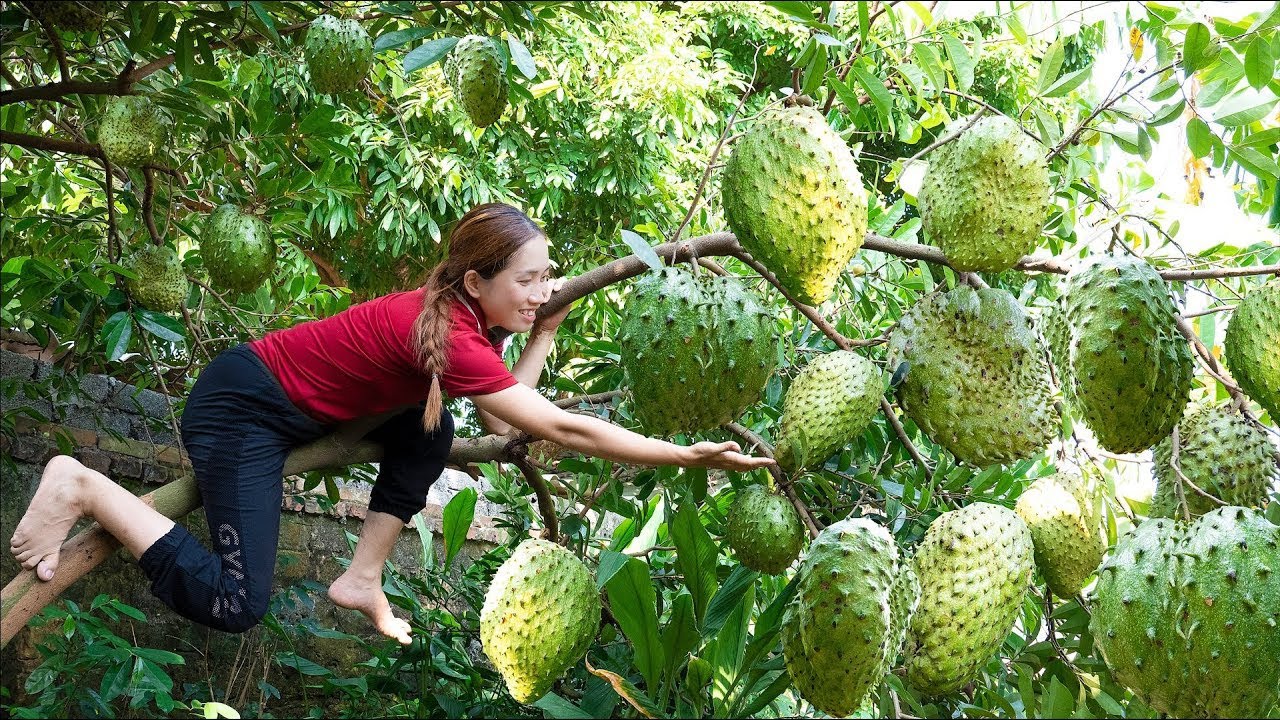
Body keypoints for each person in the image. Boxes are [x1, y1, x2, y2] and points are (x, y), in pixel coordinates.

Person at [9, 203, 775, 645]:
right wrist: (683, 453)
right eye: (529, 280)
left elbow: (515, 408)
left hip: (285, 406)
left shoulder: (467, 322)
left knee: (430, 428)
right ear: (477, 281)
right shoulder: (442, 328)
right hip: (239, 407)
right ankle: (82, 484)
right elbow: (561, 428)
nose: (542, 291)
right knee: (237, 604)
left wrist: (539, 333)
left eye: (548, 276)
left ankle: (362, 574)